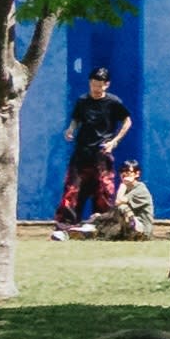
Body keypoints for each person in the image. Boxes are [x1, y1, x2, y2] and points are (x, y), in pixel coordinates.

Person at [57, 70, 129, 232]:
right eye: (94, 85)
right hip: (82, 152)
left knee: (103, 191)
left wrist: (114, 141)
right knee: (72, 189)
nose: (96, 89)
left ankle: (102, 226)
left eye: (100, 85)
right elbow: (76, 119)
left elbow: (127, 121)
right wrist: (71, 129)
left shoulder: (113, 102)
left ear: (107, 85)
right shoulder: (82, 101)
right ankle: (66, 226)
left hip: (101, 153)